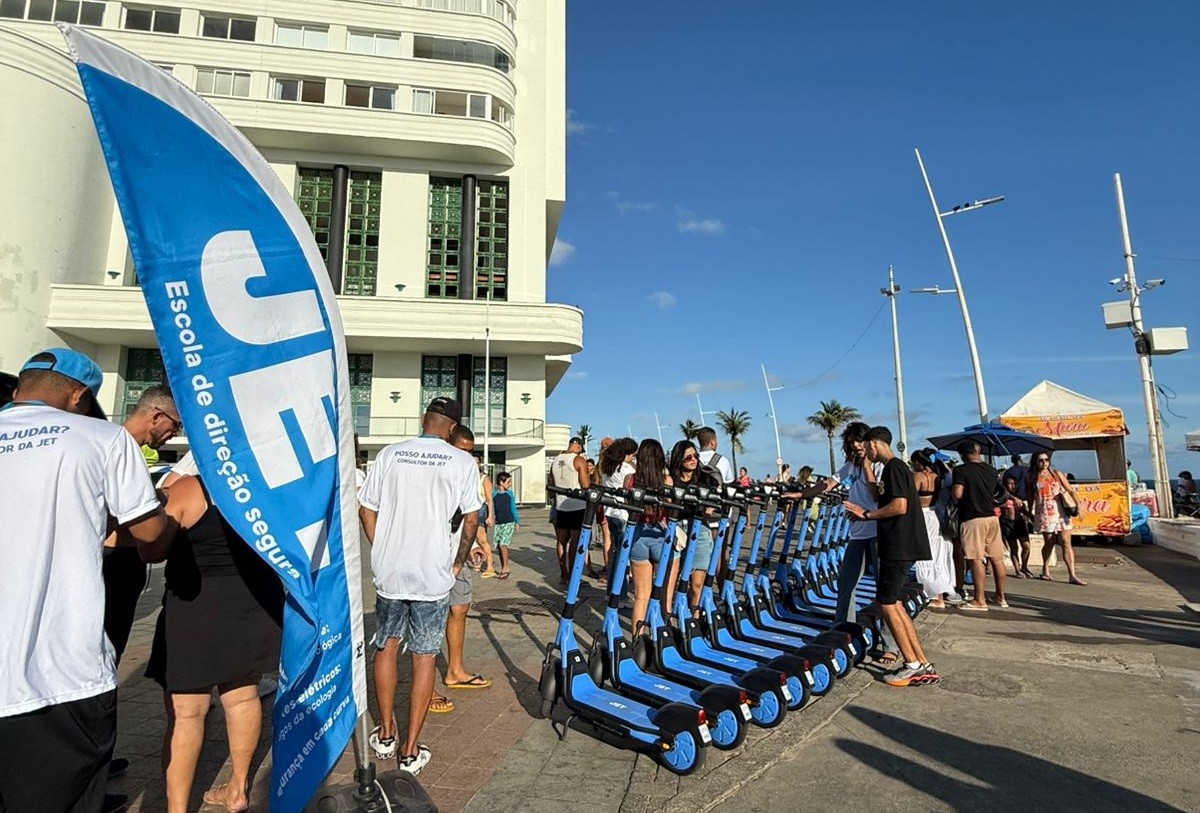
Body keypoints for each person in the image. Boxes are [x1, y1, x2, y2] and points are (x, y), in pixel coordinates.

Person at [0, 349, 172, 813]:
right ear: (78, 395)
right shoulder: (103, 439)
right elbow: (150, 533)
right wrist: (167, 513)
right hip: (59, 673)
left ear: (19, 389)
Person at [145, 473, 283, 813]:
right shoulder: (264, 486)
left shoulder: (190, 488)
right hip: (255, 600)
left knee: (188, 713)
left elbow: (152, 549)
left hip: (197, 607)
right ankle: (238, 788)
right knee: (242, 697)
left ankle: (177, 809)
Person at [359, 397, 481, 774]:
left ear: (423, 420)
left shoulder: (390, 454)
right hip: (433, 572)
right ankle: (410, 751)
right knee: (425, 655)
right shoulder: (462, 461)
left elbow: (366, 507)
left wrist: (381, 549)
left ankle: (385, 733)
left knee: (386, 646)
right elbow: (473, 519)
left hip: (392, 570)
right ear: (452, 428)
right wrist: (457, 562)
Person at [842, 426, 938, 687]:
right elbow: (879, 497)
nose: (864, 451)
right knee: (893, 603)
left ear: (873, 444)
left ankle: (911, 665)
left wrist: (866, 515)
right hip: (900, 545)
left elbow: (899, 506)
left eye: (866, 447)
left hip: (899, 545)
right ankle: (920, 661)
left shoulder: (895, 467)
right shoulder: (892, 469)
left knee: (886, 603)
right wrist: (866, 469)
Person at [103, 384, 183, 660]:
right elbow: (142, 528)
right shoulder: (113, 447)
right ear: (157, 416)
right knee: (106, 648)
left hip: (123, 560)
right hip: (112, 560)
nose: (176, 433)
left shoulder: (125, 448)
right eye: (176, 424)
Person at [426, 424, 494, 717]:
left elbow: (470, 515)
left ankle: (454, 670)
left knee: (460, 609)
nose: (467, 457)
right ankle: (424, 686)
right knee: (428, 617)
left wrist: (475, 545)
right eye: (461, 450)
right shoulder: (432, 470)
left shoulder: (470, 473)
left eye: (470, 452)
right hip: (431, 553)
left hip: (460, 552)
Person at [834, 422, 899, 665]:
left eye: (860, 441)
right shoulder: (850, 466)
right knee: (845, 584)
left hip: (878, 532)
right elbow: (829, 483)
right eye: (851, 442)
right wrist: (800, 494)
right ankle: (842, 632)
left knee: (883, 591)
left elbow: (876, 497)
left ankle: (890, 645)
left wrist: (868, 467)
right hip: (858, 534)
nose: (856, 446)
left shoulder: (882, 467)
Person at [952, 440, 1008, 610]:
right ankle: (1001, 597)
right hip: (991, 517)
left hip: (972, 518)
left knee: (976, 559)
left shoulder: (961, 470)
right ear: (978, 451)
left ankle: (979, 599)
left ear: (962, 455)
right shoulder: (991, 470)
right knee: (996, 559)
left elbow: (958, 494)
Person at [628, 439, 672, 633]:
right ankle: (663, 634)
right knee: (665, 594)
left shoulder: (630, 479)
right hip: (661, 534)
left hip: (637, 534)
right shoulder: (666, 481)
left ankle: (638, 639)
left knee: (641, 595)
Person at [668, 439, 716, 613]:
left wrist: (709, 508)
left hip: (699, 527)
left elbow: (715, 499)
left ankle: (694, 618)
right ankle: (671, 613)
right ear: (679, 458)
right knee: (673, 579)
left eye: (695, 455)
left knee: (696, 584)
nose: (693, 459)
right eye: (688, 456)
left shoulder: (705, 479)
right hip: (676, 526)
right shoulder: (670, 480)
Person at [1028, 452, 1085, 585]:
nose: (1044, 463)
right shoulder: (1031, 477)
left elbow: (1070, 490)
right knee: (1049, 542)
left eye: (1046, 459)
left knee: (1066, 542)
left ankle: (1072, 574)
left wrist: (1079, 505)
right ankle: (1045, 567)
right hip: (1044, 512)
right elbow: (1031, 497)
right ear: (1035, 462)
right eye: (1040, 460)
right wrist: (1030, 513)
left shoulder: (1056, 474)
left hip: (1060, 511)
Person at [910, 450, 954, 609]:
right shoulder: (936, 476)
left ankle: (932, 594)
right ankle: (939, 594)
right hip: (935, 514)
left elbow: (910, 497)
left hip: (922, 516)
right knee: (937, 556)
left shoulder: (918, 477)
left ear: (917, 462)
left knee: (925, 555)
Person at [548, 437, 590, 584]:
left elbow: (551, 486)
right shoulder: (578, 460)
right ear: (578, 446)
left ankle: (563, 573)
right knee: (575, 540)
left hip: (560, 505)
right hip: (576, 505)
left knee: (561, 541)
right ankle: (573, 576)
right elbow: (585, 484)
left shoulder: (555, 460)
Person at [598, 437, 638, 575]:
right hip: (624, 513)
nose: (633, 458)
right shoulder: (627, 469)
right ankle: (620, 590)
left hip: (609, 511)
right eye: (632, 455)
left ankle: (612, 588)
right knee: (624, 553)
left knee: (616, 550)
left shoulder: (606, 466)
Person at [1001, 475, 1035, 579]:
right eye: (1009, 484)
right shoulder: (1002, 496)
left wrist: (1032, 517)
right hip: (1007, 523)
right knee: (1014, 548)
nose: (1012, 486)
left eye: (1014, 484)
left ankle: (1024, 566)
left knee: (1026, 546)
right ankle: (1017, 569)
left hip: (1019, 522)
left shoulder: (1019, 496)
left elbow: (1023, 511)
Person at [491, 471, 519, 579]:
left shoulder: (509, 494)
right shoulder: (494, 494)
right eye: (508, 482)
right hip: (499, 523)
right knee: (499, 545)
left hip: (509, 522)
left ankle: (506, 567)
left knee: (503, 544)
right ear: (501, 483)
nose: (510, 484)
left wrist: (517, 522)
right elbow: (492, 507)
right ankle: (503, 566)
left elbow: (513, 508)